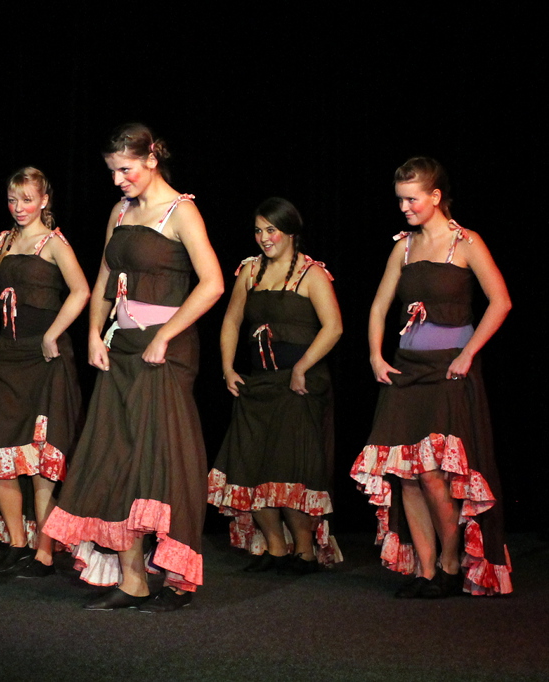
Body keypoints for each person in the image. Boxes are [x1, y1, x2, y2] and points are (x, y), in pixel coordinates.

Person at [43, 124, 224, 612]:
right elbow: (106, 275)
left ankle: (176, 576)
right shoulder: (120, 211)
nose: (118, 179)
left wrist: (165, 336)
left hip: (165, 350)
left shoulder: (180, 211)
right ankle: (133, 580)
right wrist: (93, 333)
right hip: (121, 348)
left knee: (159, 459)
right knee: (115, 454)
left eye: (125, 169)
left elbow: (212, 283)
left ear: (151, 159)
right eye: (112, 171)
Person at [351, 157, 512, 597]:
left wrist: (468, 354)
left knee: (434, 474)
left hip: (448, 371)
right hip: (406, 370)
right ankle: (424, 570)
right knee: (406, 473)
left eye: (412, 199)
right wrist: (375, 356)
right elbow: (379, 306)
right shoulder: (403, 247)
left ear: (436, 197)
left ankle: (449, 563)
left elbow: (500, 301)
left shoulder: (465, 242)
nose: (404, 207)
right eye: (400, 200)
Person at [0, 167, 89, 577]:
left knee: (40, 458)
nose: (19, 208)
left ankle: (45, 552)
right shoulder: (1, 243)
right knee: (0, 451)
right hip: (7, 358)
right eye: (13, 200)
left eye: (27, 200)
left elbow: (82, 291)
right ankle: (18, 543)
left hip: (45, 360)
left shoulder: (54, 243)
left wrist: (53, 334)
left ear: (44, 200)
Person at [208, 198, 343, 574]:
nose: (263, 237)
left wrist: (301, 367)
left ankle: (305, 551)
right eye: (258, 230)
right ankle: (275, 547)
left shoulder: (311, 273)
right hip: (259, 383)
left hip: (298, 385)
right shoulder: (250, 271)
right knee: (252, 466)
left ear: (291, 232)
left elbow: (333, 327)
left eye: (271, 230)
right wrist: (227, 367)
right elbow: (232, 321)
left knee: (288, 468)